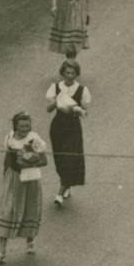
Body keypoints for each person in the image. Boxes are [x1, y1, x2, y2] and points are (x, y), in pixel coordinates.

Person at [0, 113, 49, 265]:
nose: (25, 129)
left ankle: (30, 242)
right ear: (15, 126)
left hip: (30, 178)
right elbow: (7, 159)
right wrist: (5, 175)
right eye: (21, 126)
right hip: (13, 178)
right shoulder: (9, 138)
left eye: (27, 126)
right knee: (8, 209)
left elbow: (44, 161)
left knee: (30, 208)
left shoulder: (34, 139)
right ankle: (2, 252)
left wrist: (29, 162)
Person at [46, 60, 90, 209]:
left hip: (73, 128)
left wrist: (78, 110)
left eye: (73, 73)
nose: (70, 76)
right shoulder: (55, 87)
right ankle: (67, 184)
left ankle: (60, 192)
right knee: (60, 158)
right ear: (62, 73)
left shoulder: (82, 90)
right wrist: (57, 100)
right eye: (67, 73)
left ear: (77, 74)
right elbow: (48, 109)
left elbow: (85, 112)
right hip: (58, 127)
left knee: (70, 158)